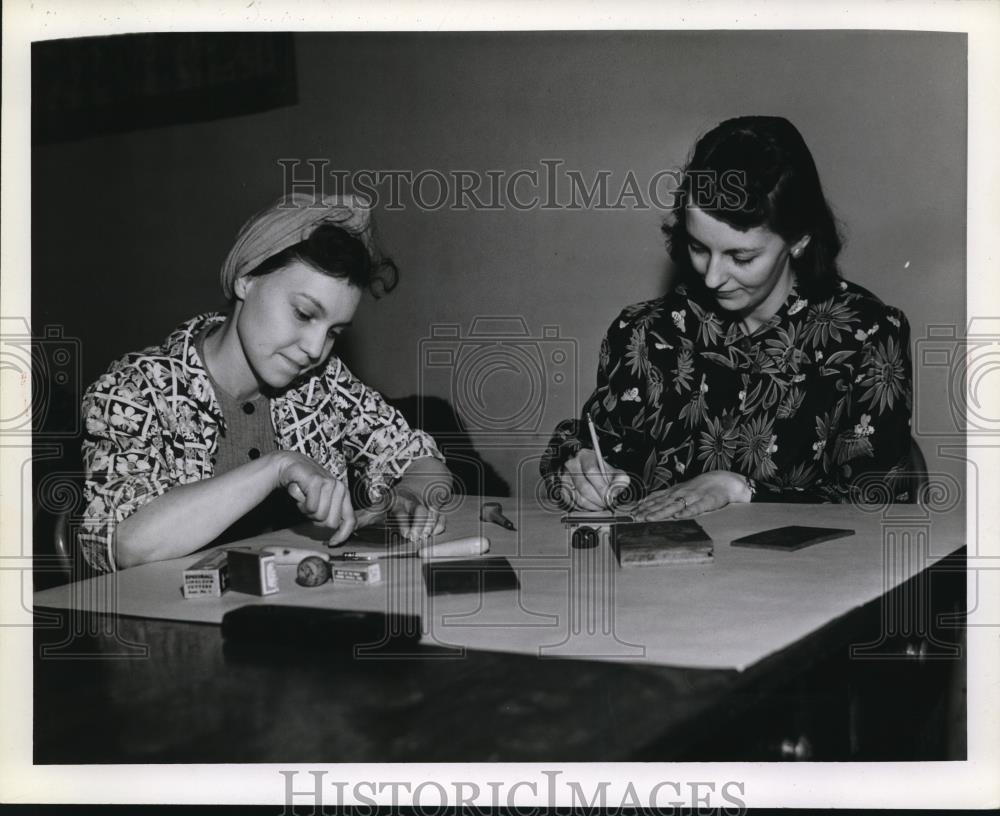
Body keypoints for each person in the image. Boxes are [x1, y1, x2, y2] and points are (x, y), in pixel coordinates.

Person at [542, 115, 914, 520]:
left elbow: (874, 503)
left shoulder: (867, 336)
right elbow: (590, 444)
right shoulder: (644, 334)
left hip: (798, 581)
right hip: (651, 578)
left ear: (800, 240)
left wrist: (740, 489)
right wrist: (578, 471)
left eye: (741, 257)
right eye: (699, 247)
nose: (713, 276)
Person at [79, 193, 451, 572]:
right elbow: (127, 544)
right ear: (246, 278)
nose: (315, 348)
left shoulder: (323, 384)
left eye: (334, 331)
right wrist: (278, 467)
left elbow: (418, 457)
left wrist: (409, 495)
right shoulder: (134, 391)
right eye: (304, 313)